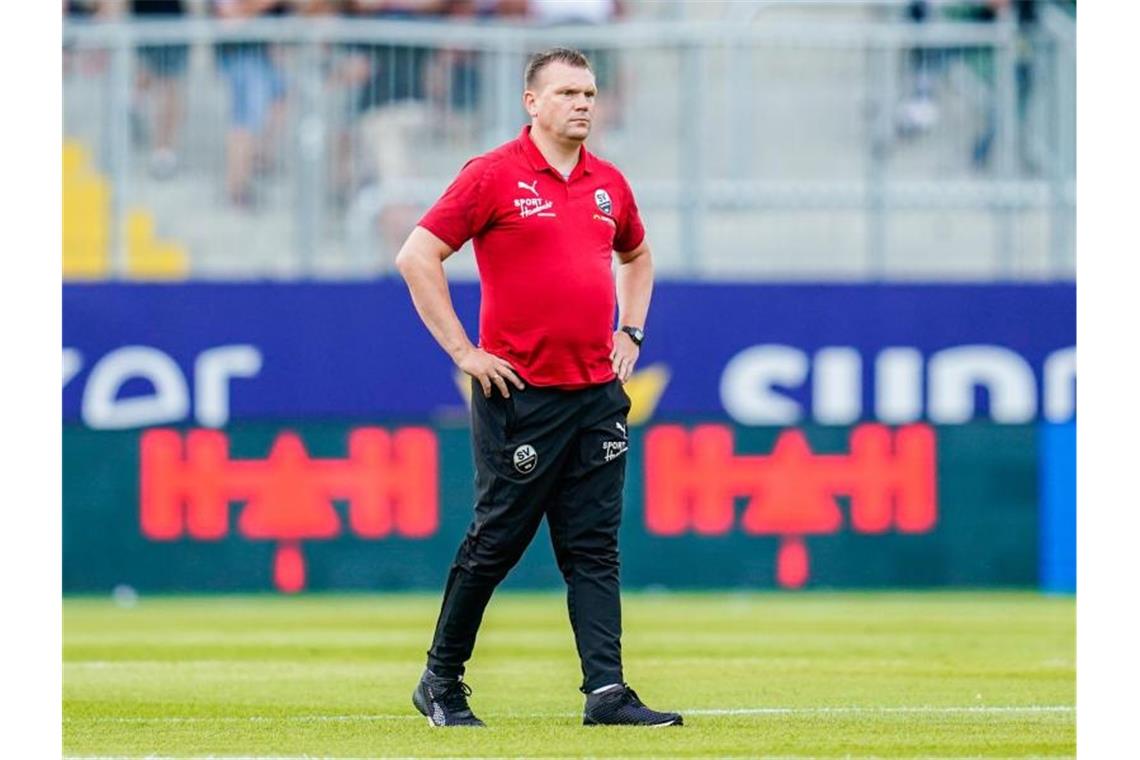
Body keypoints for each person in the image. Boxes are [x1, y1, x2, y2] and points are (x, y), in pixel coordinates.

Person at [394, 48, 682, 728]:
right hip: (520, 394)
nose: (583, 103)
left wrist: (631, 332)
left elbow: (637, 256)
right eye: (567, 92)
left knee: (594, 548)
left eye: (590, 92)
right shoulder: (493, 175)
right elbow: (417, 255)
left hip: (596, 395)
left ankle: (606, 692)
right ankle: (441, 680)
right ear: (532, 102)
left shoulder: (609, 184)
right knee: (496, 541)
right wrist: (464, 351)